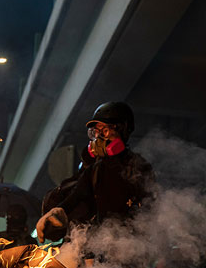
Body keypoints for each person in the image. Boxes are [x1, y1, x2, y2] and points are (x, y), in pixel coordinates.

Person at [36, 101, 155, 244]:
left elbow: (147, 207)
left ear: (123, 130)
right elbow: (78, 192)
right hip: (86, 249)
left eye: (105, 131)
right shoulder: (92, 167)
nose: (99, 139)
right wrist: (60, 210)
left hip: (123, 249)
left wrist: (113, 160)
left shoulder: (138, 166)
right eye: (95, 132)